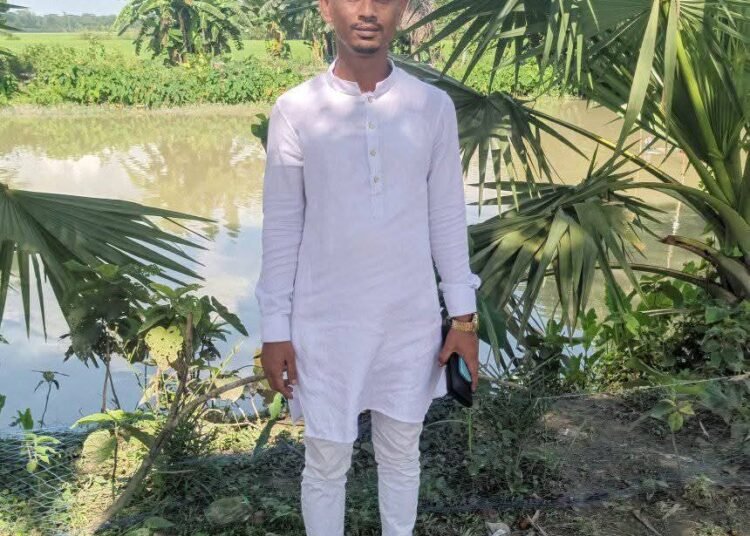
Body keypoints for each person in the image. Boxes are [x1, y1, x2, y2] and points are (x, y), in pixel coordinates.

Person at [254, 0, 482, 534]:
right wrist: (274, 328)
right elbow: (282, 227)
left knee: (402, 454)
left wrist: (463, 318)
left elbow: (447, 216)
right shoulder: (296, 110)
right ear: (325, 8)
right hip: (325, 324)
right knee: (325, 461)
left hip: (408, 321)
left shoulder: (430, 107)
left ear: (401, 8)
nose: (367, 11)